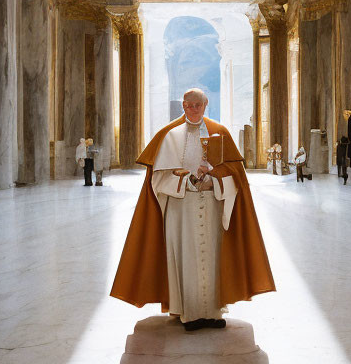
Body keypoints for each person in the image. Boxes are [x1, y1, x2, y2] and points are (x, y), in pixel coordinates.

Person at [111, 88, 275, 331]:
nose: (193, 108)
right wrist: (185, 181)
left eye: (198, 104)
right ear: (183, 106)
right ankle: (189, 313)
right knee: (186, 258)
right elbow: (159, 177)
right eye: (189, 104)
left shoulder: (220, 133)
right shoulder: (170, 136)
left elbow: (235, 175)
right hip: (182, 208)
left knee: (213, 258)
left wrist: (215, 180)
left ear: (206, 105)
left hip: (212, 205)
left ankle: (213, 312)